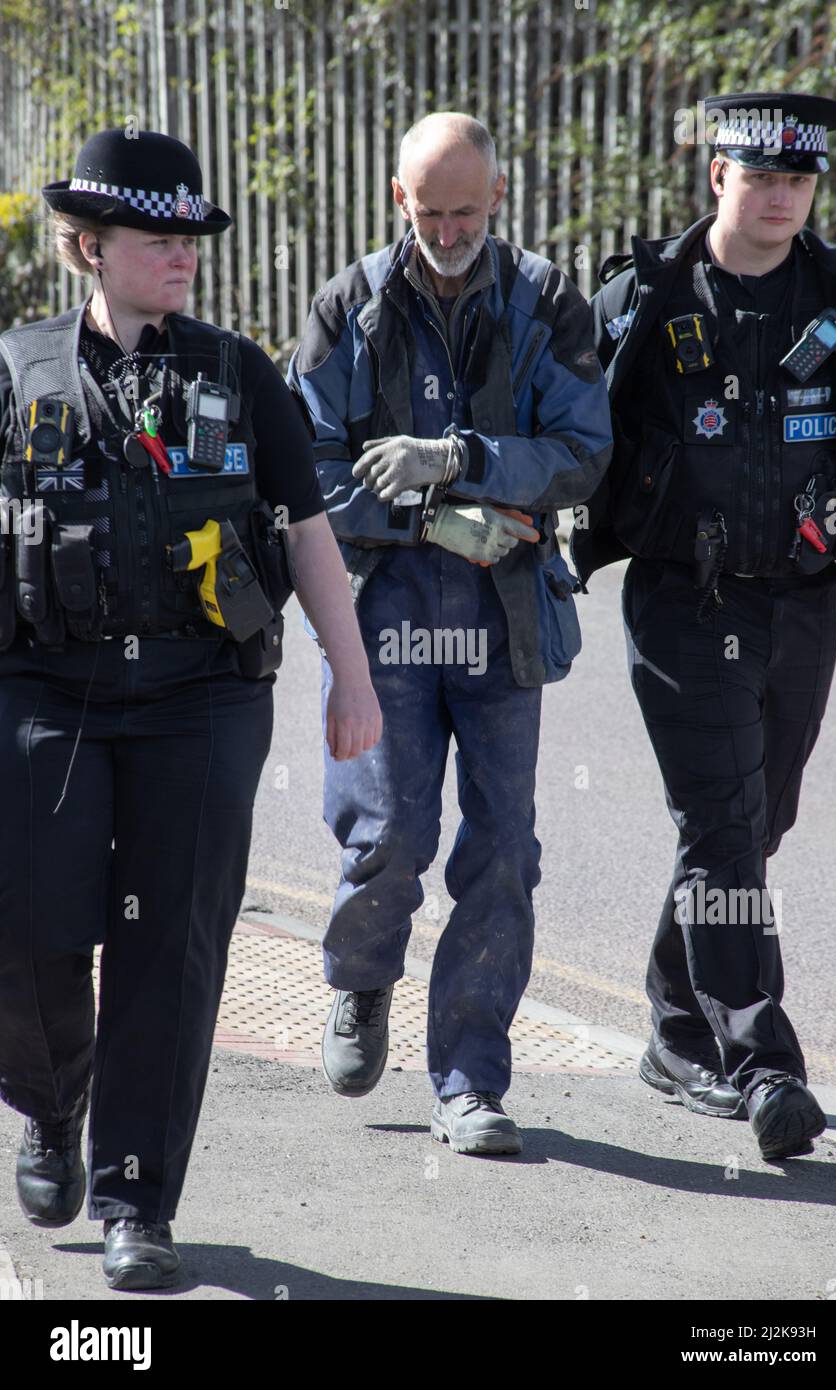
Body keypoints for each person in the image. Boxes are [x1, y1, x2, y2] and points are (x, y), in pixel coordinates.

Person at [0, 128, 381, 1290]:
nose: (182, 256)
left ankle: (134, 1201)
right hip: (45, 691)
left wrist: (350, 676)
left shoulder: (238, 371)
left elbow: (307, 530)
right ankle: (52, 1104)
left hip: (199, 698)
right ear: (88, 246)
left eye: (190, 238)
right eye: (157, 239)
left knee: (171, 949)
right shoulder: (16, 371)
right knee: (27, 934)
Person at [289, 111, 612, 1156]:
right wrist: (433, 509)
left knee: (503, 850)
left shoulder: (545, 302)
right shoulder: (349, 306)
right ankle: (360, 977)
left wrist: (463, 456)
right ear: (398, 201)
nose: (447, 229)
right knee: (387, 834)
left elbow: (581, 451)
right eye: (428, 212)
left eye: (465, 211)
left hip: (504, 612)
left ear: (498, 196)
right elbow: (311, 475)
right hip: (381, 604)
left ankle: (470, 1076)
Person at [572, 91, 836, 1160]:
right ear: (717, 178)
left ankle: (674, 1025)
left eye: (798, 179)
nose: (781, 195)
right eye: (760, 176)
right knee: (720, 828)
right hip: (682, 602)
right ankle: (761, 1061)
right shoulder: (642, 298)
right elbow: (571, 429)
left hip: (804, 596)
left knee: (754, 824)